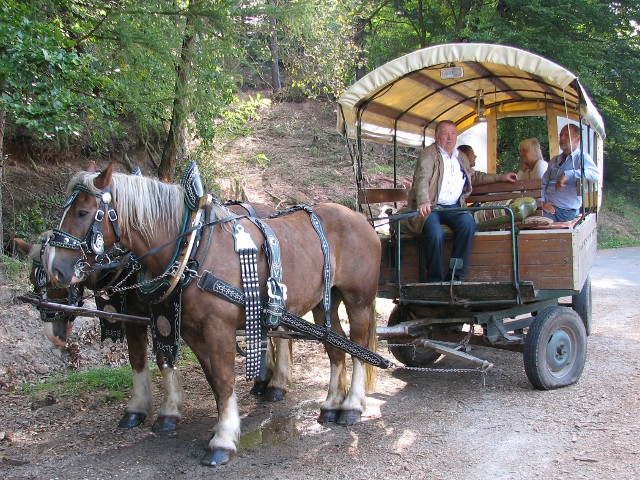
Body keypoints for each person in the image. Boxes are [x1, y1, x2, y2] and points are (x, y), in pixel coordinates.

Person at [406, 120, 517, 282]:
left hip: (454, 208)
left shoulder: (460, 157)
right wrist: (423, 201)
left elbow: (475, 176)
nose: (450, 138)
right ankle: (434, 280)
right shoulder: (428, 154)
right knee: (435, 233)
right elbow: (422, 178)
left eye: (453, 134)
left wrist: (501, 177)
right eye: (445, 133)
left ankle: (455, 275)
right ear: (437, 136)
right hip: (433, 207)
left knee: (468, 224)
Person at [541, 124, 600, 222]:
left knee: (527, 222)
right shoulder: (554, 160)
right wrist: (542, 203)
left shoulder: (581, 158)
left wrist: (568, 174)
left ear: (578, 139)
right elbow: (543, 183)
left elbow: (595, 175)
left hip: (565, 212)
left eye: (567, 135)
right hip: (548, 208)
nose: (562, 138)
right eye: (561, 135)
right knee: (517, 217)